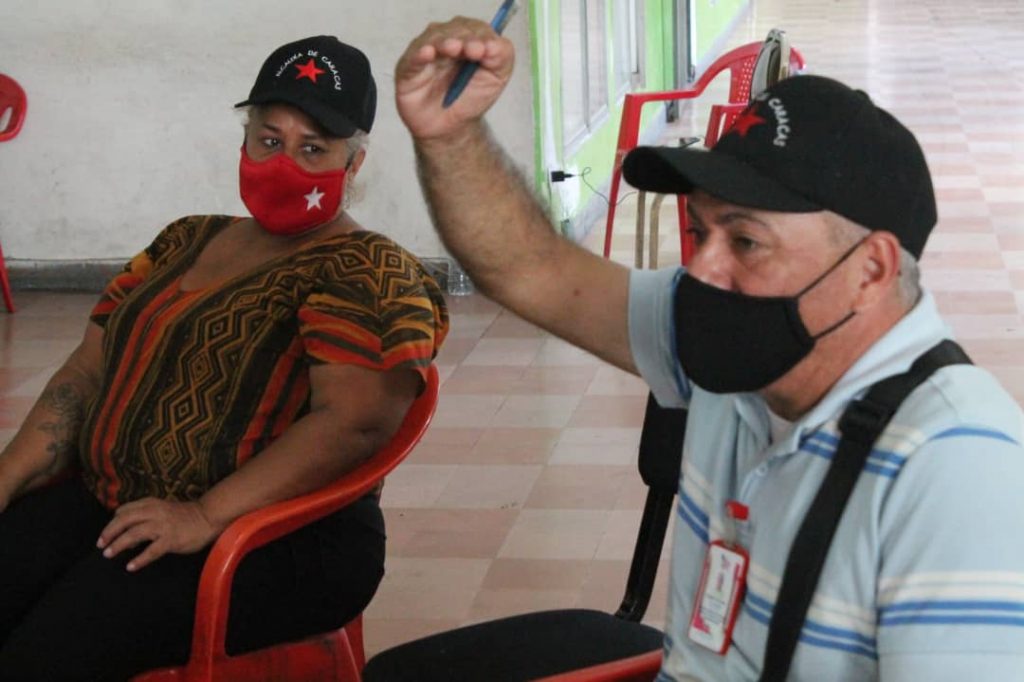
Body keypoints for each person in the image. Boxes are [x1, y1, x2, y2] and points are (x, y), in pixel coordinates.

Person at [387, 18, 1024, 681]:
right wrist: (451, 136)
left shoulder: (956, 469)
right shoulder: (734, 339)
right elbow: (532, 270)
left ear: (871, 270)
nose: (701, 269)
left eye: (745, 241)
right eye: (699, 230)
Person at [0, 35, 448, 680]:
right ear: (244, 141)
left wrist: (204, 515)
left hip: (277, 538)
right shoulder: (185, 239)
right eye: (268, 140)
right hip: (115, 500)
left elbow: (356, 425)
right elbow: (86, 372)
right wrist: (7, 478)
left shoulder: (366, 268)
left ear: (354, 163)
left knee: (42, 658)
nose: (284, 163)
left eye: (313, 148)